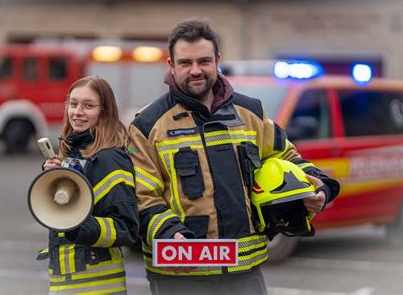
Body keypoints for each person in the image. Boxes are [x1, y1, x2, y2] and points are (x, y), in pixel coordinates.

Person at [127, 19, 340, 295]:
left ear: (217, 60)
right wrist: (168, 233)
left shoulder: (250, 113)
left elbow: (287, 158)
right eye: (185, 63)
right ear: (171, 64)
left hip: (244, 274)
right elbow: (141, 195)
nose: (195, 70)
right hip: (180, 277)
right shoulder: (148, 125)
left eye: (204, 61)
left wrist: (319, 186)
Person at [40, 76, 139, 294]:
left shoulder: (110, 160)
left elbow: (126, 228)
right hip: (67, 285)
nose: (77, 112)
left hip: (98, 287)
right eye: (73, 104)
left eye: (88, 106)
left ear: (105, 111)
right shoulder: (73, 154)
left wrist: (77, 225)